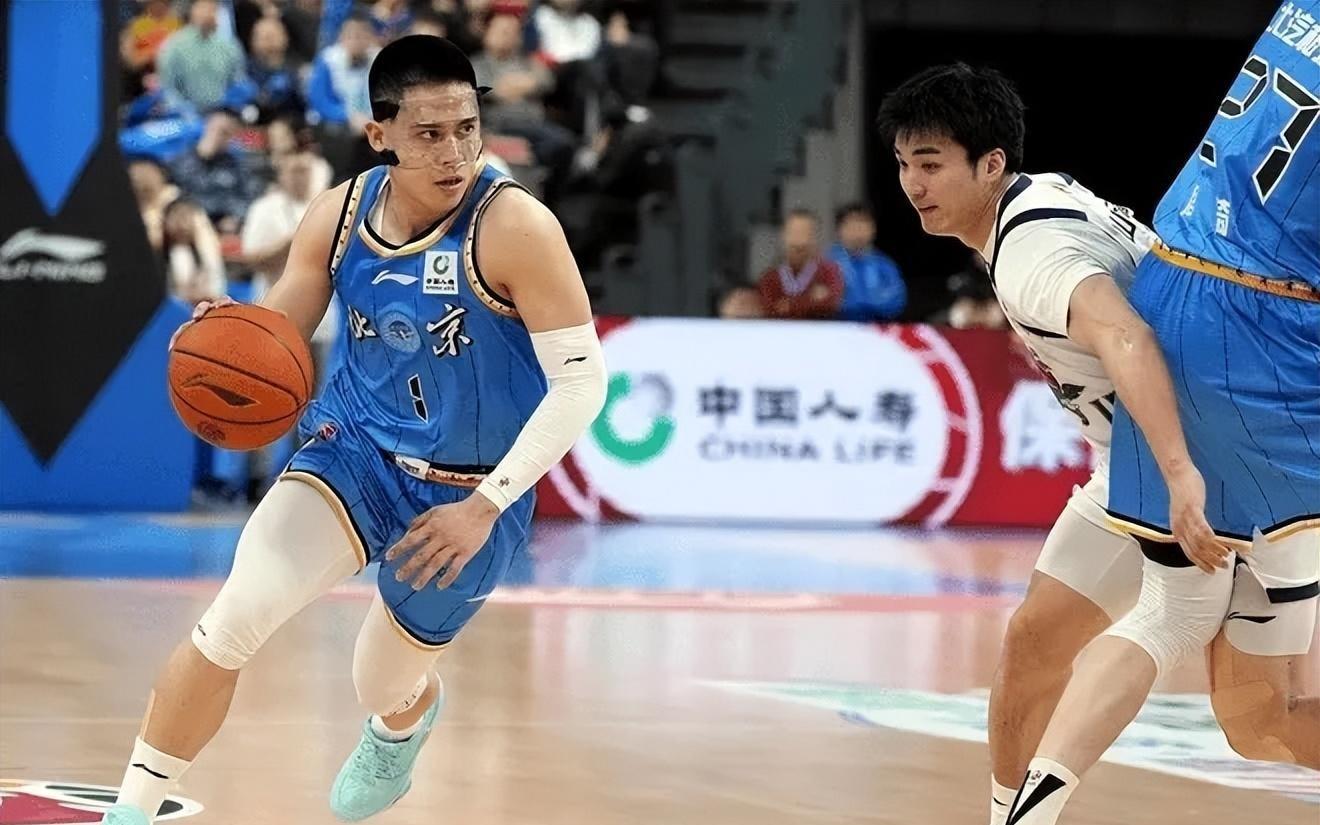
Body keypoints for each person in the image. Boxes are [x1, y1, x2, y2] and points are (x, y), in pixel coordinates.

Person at [99, 35, 607, 825]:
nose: (454, 152)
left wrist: (486, 506)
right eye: (429, 134)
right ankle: (130, 811)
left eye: (467, 129)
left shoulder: (516, 227)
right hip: (356, 451)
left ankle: (403, 721)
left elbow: (582, 383)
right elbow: (279, 334)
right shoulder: (338, 215)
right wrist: (229, 341)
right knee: (233, 617)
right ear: (380, 134)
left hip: (469, 494)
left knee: (378, 681)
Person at [875, 62, 1226, 825]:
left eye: (930, 164)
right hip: (1132, 461)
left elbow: (1126, 337)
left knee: (1265, 715)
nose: (912, 184)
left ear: (990, 163)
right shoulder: (1042, 196)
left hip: (1193, 456)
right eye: (903, 164)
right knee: (1034, 643)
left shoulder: (1033, 256)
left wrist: (1179, 471)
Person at [1007, 3, 1320, 820]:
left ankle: (1026, 810)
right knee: (1268, 709)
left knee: (1234, 691)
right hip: (1266, 327)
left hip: (1174, 291)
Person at [756, 209, 845, 319]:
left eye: (806, 233)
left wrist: (788, 305)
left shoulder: (830, 273)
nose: (799, 241)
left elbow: (831, 304)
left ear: (815, 238)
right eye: (794, 233)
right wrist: (811, 299)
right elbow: (769, 310)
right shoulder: (770, 278)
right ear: (783, 236)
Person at [828, 202, 907, 321]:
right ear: (839, 229)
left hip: (876, 327)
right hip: (836, 327)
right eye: (852, 225)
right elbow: (824, 302)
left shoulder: (884, 264)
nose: (858, 231)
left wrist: (857, 302)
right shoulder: (827, 262)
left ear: (873, 229)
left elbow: (897, 301)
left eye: (863, 225)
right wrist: (870, 302)